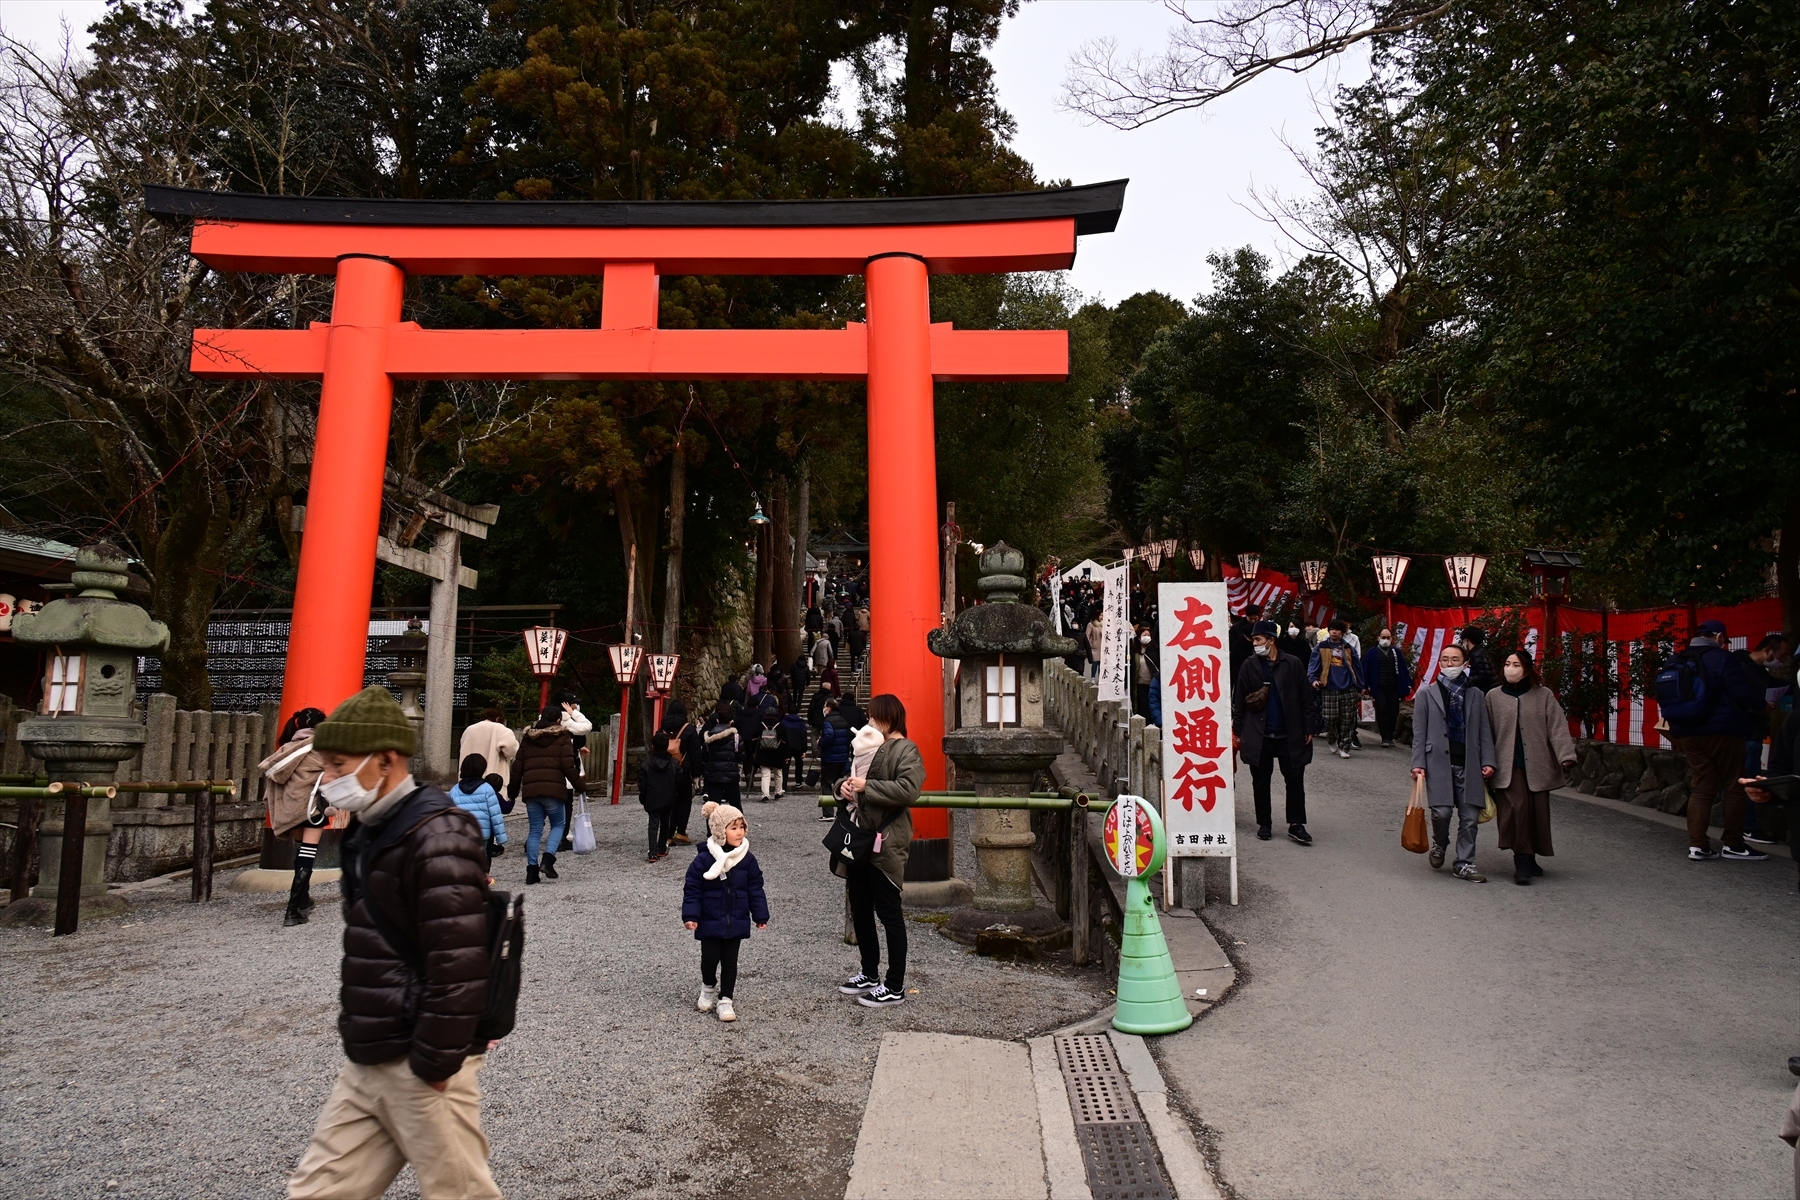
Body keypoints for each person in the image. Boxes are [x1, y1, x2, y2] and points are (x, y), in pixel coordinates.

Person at [286, 687, 498, 1200]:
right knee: (318, 1191)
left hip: (419, 1057)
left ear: (386, 759)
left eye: (338, 765)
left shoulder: (438, 835)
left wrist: (436, 1059)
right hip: (371, 1048)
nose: (329, 780)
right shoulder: (370, 829)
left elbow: (460, 959)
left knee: (460, 1192)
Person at [833, 694, 922, 1008]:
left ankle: (895, 985)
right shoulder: (869, 745)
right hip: (860, 840)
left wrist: (865, 787)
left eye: (874, 717)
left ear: (888, 717)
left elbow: (909, 789)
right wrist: (842, 786)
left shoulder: (905, 749)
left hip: (887, 840)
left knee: (889, 913)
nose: (869, 722)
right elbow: (852, 780)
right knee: (860, 908)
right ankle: (870, 972)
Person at [1668, 619, 1768, 862]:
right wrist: (1763, 705)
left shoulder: (1676, 660)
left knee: (1702, 787)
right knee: (1734, 786)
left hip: (1687, 731)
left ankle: (1698, 845)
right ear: (1720, 637)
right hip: (1723, 731)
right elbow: (1741, 693)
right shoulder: (1724, 659)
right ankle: (1733, 843)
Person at [1484, 650, 1578, 885]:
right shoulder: (1493, 697)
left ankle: (1531, 855)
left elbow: (1557, 726)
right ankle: (1522, 858)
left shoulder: (1543, 695)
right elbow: (1485, 732)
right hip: (1506, 766)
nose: (1510, 668)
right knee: (1516, 809)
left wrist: (1565, 754)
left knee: (1536, 812)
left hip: (1536, 765)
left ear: (1526, 669)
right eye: (1507, 663)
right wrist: (1484, 760)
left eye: (1516, 664)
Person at [1411, 642, 1498, 881]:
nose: (1449, 664)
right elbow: (1419, 732)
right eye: (1445, 660)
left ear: (1465, 664)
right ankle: (1440, 843)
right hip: (1437, 760)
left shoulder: (1476, 695)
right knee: (1441, 812)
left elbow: (1484, 731)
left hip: (1469, 762)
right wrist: (1417, 763)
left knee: (1470, 817)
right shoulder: (1426, 694)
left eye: (1455, 660)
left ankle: (1465, 862)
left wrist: (1488, 760)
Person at [1232, 619, 1321, 844]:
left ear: (1271, 641)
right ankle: (1265, 823)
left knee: (1294, 778)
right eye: (1253, 640)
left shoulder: (1292, 664)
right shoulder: (1249, 665)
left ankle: (1296, 823)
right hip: (1258, 731)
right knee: (1260, 781)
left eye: (1259, 640)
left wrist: (1309, 726)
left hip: (1289, 731)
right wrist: (1237, 728)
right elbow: (1239, 699)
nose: (1255, 644)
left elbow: (1305, 698)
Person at [682, 801, 770, 1023]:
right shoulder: (704, 859)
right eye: (733, 827)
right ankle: (708, 986)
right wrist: (691, 915)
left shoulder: (747, 859)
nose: (739, 832)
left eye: (742, 826)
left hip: (736, 918)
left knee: (730, 962)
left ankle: (726, 999)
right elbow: (693, 889)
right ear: (720, 832)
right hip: (710, 917)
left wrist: (760, 915)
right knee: (710, 959)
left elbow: (755, 888)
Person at [258, 706, 330, 927]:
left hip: (291, 809)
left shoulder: (284, 750)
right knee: (308, 857)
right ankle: (292, 911)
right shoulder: (320, 750)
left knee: (300, 854)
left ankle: (304, 900)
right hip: (312, 809)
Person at [509, 704, 584, 884]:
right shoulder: (562, 736)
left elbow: (517, 767)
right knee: (558, 824)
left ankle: (531, 872)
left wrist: (512, 791)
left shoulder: (528, 738)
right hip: (553, 790)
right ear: (558, 719)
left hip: (532, 791)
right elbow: (568, 766)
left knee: (535, 829)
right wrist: (580, 786)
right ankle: (548, 860)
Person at [1736, 635, 1784, 845]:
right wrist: (1761, 706)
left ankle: (1741, 825)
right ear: (1768, 650)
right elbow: (1741, 698)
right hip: (1747, 732)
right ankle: (1746, 826)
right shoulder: (1742, 668)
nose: (1781, 660)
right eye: (1780, 655)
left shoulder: (1758, 671)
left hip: (1750, 732)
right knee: (1748, 781)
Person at [1308, 618, 1364, 759]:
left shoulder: (1348, 648)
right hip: (1329, 687)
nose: (1334, 631)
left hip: (1348, 688)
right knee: (1329, 718)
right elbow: (1313, 666)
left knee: (1348, 719)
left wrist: (1361, 685)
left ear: (1342, 632)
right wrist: (1313, 680)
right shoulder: (1321, 647)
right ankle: (1332, 739)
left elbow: (1357, 666)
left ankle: (1345, 746)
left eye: (1337, 629)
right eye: (1331, 629)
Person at [451, 754, 508, 867]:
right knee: (480, 860)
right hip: (481, 833)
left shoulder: (455, 790)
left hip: (461, 833)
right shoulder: (487, 789)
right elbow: (496, 815)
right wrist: (501, 838)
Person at [639, 730, 687, 863]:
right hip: (669, 797)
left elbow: (642, 783)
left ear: (653, 746)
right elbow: (680, 780)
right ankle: (661, 848)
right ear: (667, 745)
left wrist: (643, 797)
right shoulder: (674, 763)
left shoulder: (647, 764)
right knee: (665, 822)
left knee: (653, 824)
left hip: (652, 797)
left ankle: (652, 852)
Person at [1360, 628, 1413, 748]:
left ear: (1391, 639)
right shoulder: (1371, 653)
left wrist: (1407, 684)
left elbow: (1403, 669)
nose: (1385, 640)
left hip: (1393, 686)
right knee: (1382, 709)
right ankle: (1385, 736)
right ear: (1378, 638)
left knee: (1393, 711)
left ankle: (1390, 734)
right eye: (1383, 637)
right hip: (1378, 687)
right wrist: (1364, 686)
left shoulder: (1396, 652)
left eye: (1388, 638)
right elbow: (1366, 671)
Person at [458, 708, 519, 804]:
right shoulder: (501, 730)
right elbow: (511, 751)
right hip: (493, 780)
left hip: (467, 780)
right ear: (498, 719)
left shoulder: (469, 730)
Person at [817, 696, 852, 822]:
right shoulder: (843, 720)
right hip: (842, 757)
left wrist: (820, 742)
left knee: (826, 783)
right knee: (840, 783)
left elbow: (829, 737)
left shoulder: (828, 721)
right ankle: (841, 811)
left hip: (830, 757)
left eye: (825, 706)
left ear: (829, 708)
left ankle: (828, 812)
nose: (824, 709)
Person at [702, 702, 743, 807]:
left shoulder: (708, 737)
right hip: (731, 775)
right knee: (735, 807)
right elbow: (741, 756)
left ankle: (712, 824)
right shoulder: (736, 737)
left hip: (713, 775)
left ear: (717, 720)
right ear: (731, 721)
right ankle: (736, 824)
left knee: (713, 808)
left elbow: (704, 757)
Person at [754, 696, 788, 801]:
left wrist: (753, 753)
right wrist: (787, 755)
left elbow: (754, 738)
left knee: (765, 774)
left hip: (763, 751)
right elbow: (786, 741)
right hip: (777, 751)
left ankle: (765, 794)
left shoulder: (760, 725)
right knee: (778, 773)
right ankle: (778, 792)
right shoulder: (780, 726)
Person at [779, 702, 810, 792]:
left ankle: (783, 785)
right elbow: (803, 737)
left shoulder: (783, 721)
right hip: (797, 746)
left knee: (785, 765)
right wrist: (804, 750)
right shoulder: (800, 723)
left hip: (786, 745)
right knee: (799, 763)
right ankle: (798, 781)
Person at [1460, 627, 1499, 693]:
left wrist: (1464, 680)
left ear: (1467, 640)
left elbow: (1484, 676)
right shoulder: (1479, 651)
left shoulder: (1478, 654)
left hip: (1486, 691)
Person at [1085, 608, 1105, 680]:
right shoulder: (1091, 624)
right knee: (1095, 663)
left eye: (1102, 615)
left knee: (1101, 664)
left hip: (1102, 646)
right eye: (1100, 615)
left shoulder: (1103, 625)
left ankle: (1100, 678)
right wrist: (1088, 644)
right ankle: (1093, 677)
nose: (1101, 617)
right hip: (1094, 646)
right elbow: (1087, 635)